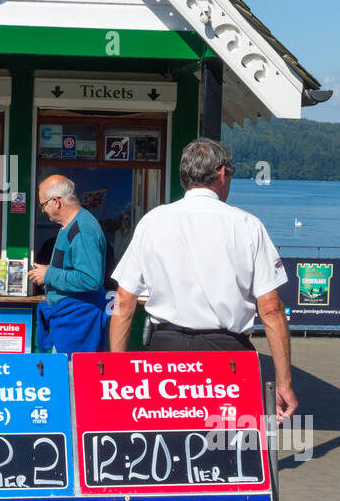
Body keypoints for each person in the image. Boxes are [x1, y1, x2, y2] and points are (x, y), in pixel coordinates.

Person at [109, 138, 298, 420]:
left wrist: (117, 375)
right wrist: (284, 383)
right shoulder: (247, 225)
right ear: (221, 173)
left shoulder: (152, 221)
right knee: (230, 446)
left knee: (169, 442)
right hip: (228, 355)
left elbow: (124, 300)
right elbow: (271, 308)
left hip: (166, 352)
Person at [29, 175, 107, 354]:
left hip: (78, 322)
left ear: (55, 202)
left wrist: (48, 275)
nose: (42, 210)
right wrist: (47, 271)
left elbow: (90, 278)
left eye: (42, 205)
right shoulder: (70, 226)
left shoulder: (82, 230)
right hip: (69, 319)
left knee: (71, 376)